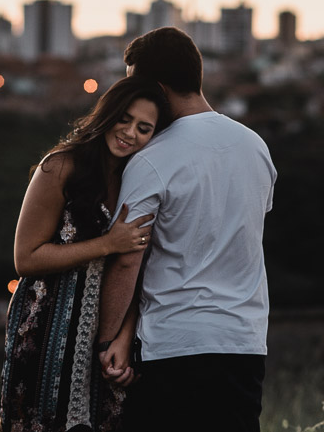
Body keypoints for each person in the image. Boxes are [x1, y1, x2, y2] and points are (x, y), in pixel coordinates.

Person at [96, 27, 277, 432]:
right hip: (243, 343)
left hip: (172, 345)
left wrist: (107, 342)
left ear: (156, 87)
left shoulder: (152, 159)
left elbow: (128, 259)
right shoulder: (256, 147)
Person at [0, 76, 172, 432]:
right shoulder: (61, 166)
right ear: (107, 113)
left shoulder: (137, 180)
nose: (129, 132)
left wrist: (123, 337)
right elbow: (26, 258)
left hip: (103, 340)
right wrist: (108, 244)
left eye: (144, 128)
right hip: (47, 331)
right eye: (124, 118)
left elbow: (139, 271)